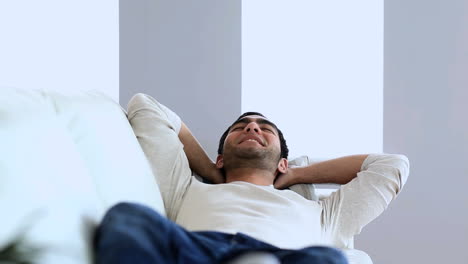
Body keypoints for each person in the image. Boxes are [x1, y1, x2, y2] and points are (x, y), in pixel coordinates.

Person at [93, 93, 410, 264]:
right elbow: (146, 106)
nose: (252, 128)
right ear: (220, 157)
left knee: (327, 259)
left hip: (286, 257)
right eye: (241, 127)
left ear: (282, 162)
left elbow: (390, 165)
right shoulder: (185, 187)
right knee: (128, 217)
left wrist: (296, 173)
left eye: (264, 128)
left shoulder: (326, 214)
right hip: (198, 250)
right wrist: (207, 170)